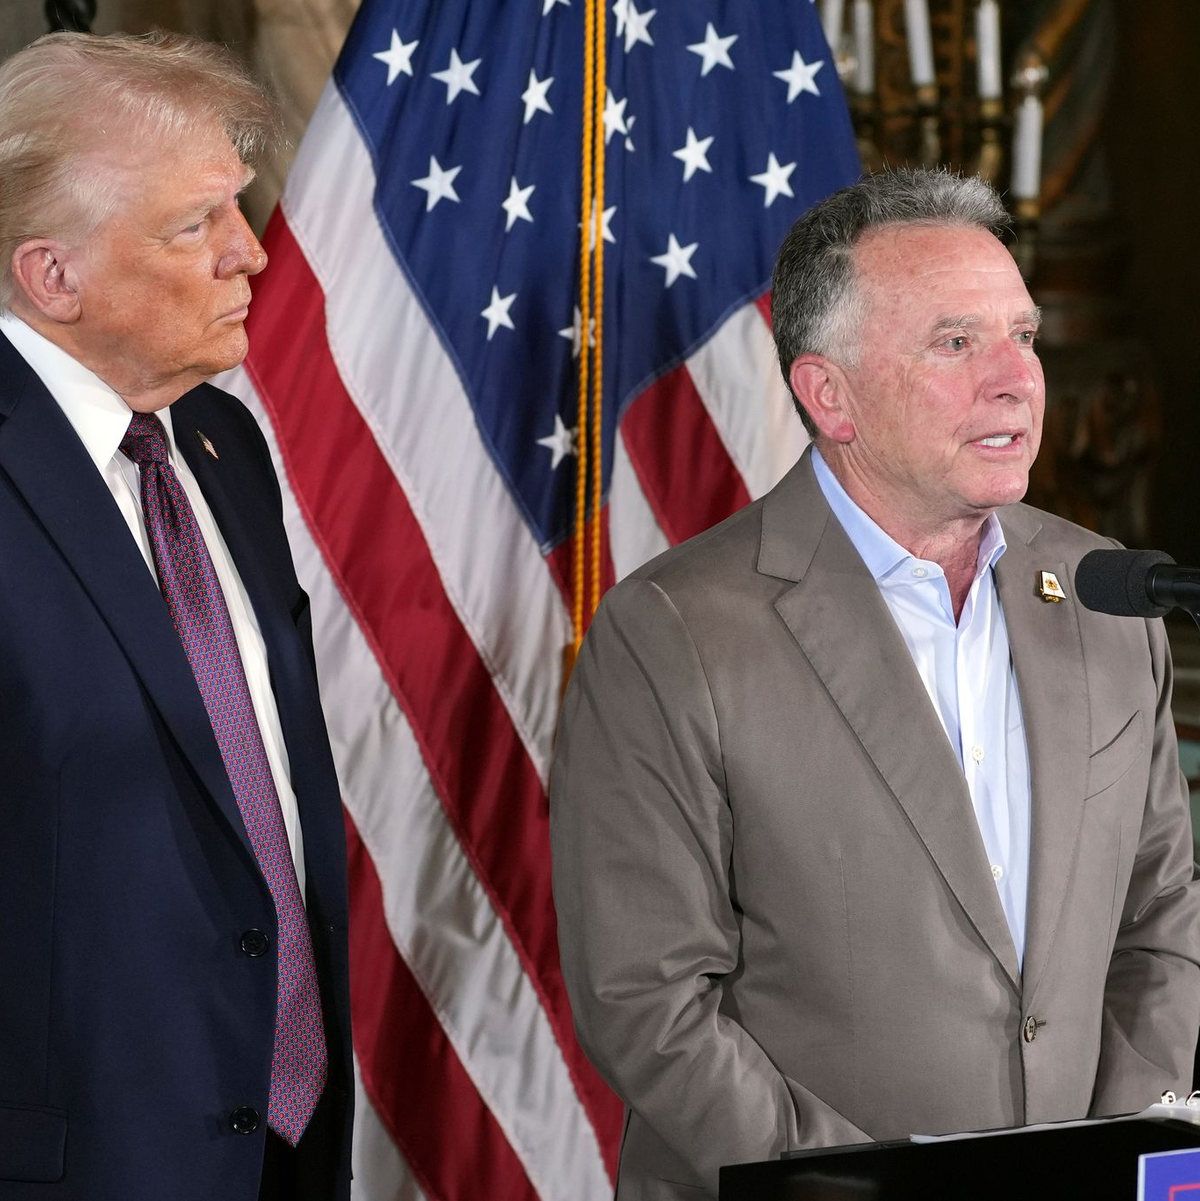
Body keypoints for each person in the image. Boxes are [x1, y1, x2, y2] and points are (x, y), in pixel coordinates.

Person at [550, 168, 1200, 1199]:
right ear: (829, 395)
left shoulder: (1098, 590)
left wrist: (1118, 1152)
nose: (1016, 379)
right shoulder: (673, 633)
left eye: (1022, 336)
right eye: (956, 343)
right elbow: (649, 997)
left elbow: (1160, 912)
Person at [0, 32, 351, 1201]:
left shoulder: (217, 438)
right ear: (54, 276)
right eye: (194, 224)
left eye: (238, 209)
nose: (250, 253)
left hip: (280, 1144)